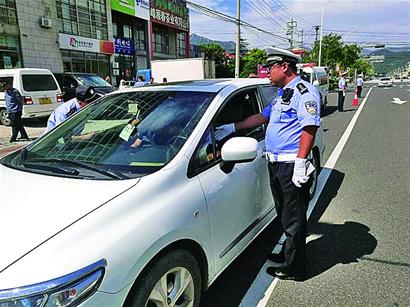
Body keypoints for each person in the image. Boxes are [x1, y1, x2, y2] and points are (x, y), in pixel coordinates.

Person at [215, 47, 321, 281]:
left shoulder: (305, 93)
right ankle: (289, 252)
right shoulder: (283, 94)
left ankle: (295, 268)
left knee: (294, 216)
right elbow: (262, 117)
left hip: (291, 164)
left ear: (284, 67)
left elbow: (309, 129)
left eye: (270, 68)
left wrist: (302, 163)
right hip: (276, 164)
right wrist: (232, 127)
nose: (266, 73)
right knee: (284, 212)